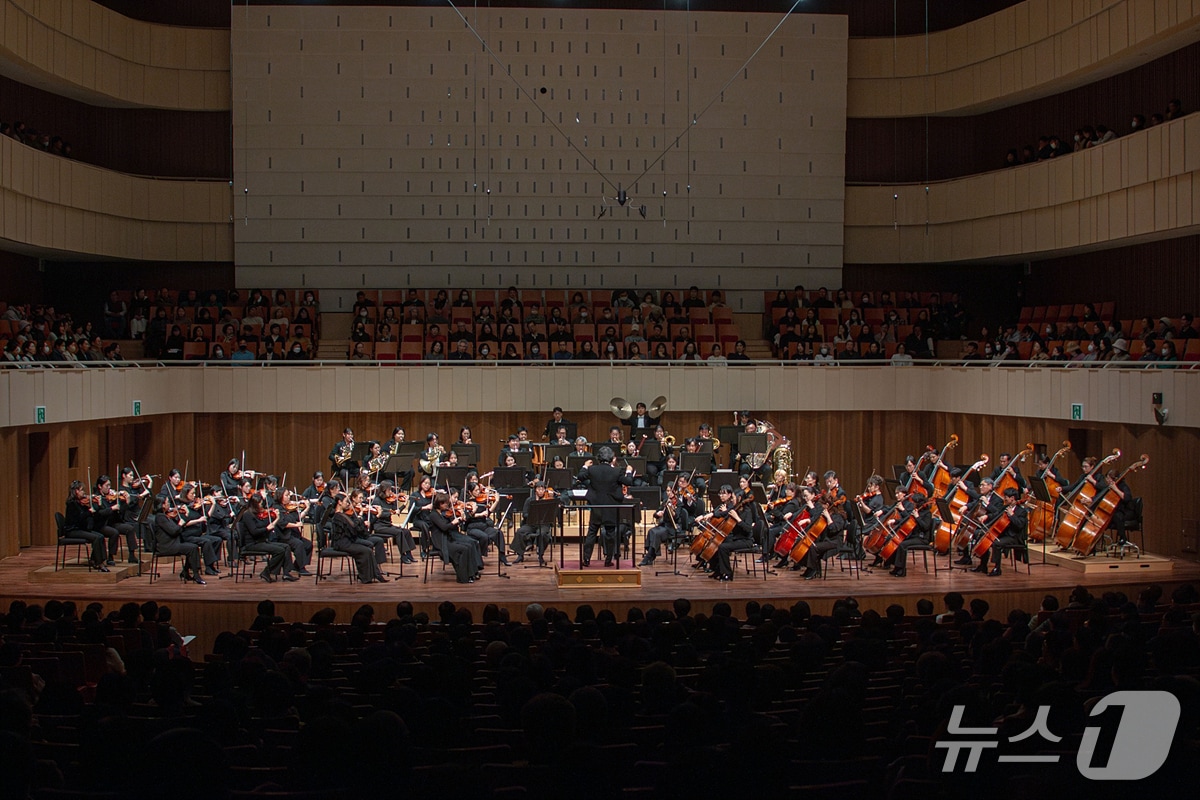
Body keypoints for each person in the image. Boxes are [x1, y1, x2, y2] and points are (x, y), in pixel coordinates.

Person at [579, 446, 635, 567]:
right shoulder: (617, 471)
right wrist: (629, 471)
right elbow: (628, 482)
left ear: (598, 458)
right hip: (611, 506)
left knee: (592, 532)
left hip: (597, 506)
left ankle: (586, 559)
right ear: (611, 459)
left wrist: (585, 465)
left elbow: (581, 476)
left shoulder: (592, 469)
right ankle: (608, 560)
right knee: (610, 533)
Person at [695, 484, 754, 581]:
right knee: (716, 544)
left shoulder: (747, 512)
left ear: (739, 498)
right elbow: (723, 514)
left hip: (745, 540)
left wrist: (738, 519)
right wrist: (710, 515)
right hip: (735, 538)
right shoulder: (735, 509)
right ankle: (717, 569)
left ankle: (727, 573)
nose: (732, 499)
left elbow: (748, 529)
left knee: (722, 547)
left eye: (734, 497)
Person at [238, 494, 299, 582]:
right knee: (280, 551)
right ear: (254, 504)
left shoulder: (259, 515)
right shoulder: (247, 515)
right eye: (260, 503)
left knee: (286, 547)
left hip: (262, 541)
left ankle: (286, 573)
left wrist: (277, 518)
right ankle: (267, 572)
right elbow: (254, 532)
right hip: (252, 544)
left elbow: (269, 525)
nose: (261, 505)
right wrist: (267, 529)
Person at [327, 491, 386, 584]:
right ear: (339, 502)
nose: (348, 504)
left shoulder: (343, 515)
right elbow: (352, 529)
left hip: (347, 541)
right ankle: (367, 577)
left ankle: (373, 575)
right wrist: (359, 520)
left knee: (367, 549)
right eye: (346, 501)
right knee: (366, 550)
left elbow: (352, 528)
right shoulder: (338, 516)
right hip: (342, 544)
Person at [426, 492, 483, 583]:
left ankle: (471, 574)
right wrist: (453, 522)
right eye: (446, 503)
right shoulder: (433, 515)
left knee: (468, 546)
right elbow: (444, 527)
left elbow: (450, 527)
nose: (448, 505)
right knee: (463, 549)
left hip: (448, 538)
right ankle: (463, 578)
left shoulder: (442, 513)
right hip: (441, 541)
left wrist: (459, 520)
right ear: (440, 504)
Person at [63, 480, 119, 571]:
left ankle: (97, 560)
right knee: (96, 538)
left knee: (100, 536)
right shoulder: (71, 504)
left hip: (80, 529)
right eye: (82, 490)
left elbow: (93, 516)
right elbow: (79, 518)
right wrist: (89, 512)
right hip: (72, 530)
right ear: (76, 491)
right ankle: (99, 563)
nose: (84, 492)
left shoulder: (81, 503)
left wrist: (98, 506)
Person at [973, 488, 1028, 576]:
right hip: (1003, 534)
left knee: (996, 543)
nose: (1004, 499)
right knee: (980, 534)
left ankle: (997, 568)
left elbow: (1019, 525)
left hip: (1014, 537)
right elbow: (996, 514)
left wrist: (1012, 515)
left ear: (1012, 498)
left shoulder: (1022, 511)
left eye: (1006, 497)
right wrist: (986, 516)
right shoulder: (1005, 507)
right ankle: (983, 565)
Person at [152, 495, 205, 584]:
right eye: (167, 502)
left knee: (193, 547)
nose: (169, 504)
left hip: (173, 543)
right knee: (192, 548)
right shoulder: (160, 517)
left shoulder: (165, 516)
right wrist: (180, 524)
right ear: (162, 505)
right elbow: (173, 532)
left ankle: (186, 572)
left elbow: (178, 528)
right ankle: (196, 575)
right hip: (167, 546)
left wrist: (186, 515)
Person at [511, 481, 557, 565]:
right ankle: (520, 555)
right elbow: (524, 513)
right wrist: (532, 516)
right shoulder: (529, 500)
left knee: (542, 533)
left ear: (545, 490)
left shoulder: (548, 500)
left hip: (543, 524)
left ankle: (540, 556)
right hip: (531, 523)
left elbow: (553, 514)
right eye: (539, 489)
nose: (540, 491)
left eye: (542, 489)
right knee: (520, 531)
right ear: (535, 490)